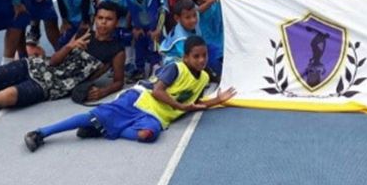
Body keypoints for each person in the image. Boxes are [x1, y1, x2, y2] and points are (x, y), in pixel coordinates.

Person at [23, 35, 235, 152]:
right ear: (186, 57)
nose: (202, 60)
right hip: (138, 100)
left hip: (157, 116)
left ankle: (100, 130)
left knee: (148, 136)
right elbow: (158, 92)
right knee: (93, 116)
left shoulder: (205, 78)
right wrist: (181, 108)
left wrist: (217, 100)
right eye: (196, 56)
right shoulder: (176, 68)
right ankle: (41, 132)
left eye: (204, 56)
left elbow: (195, 103)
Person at [124, 0, 166, 78]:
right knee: (139, 42)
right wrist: (136, 27)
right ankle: (139, 69)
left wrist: (155, 30)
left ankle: (156, 67)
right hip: (140, 18)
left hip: (157, 21)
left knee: (153, 43)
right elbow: (132, 9)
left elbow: (155, 14)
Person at [188, 0, 223, 77]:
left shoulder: (218, 2)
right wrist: (212, 0)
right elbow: (199, 10)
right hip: (206, 45)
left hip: (223, 43)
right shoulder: (193, 7)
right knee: (216, 70)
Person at [160, 0, 203, 65]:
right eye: (188, 17)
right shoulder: (180, 38)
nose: (193, 20)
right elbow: (186, 58)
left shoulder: (192, 24)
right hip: (174, 60)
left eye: (194, 15)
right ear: (177, 18)